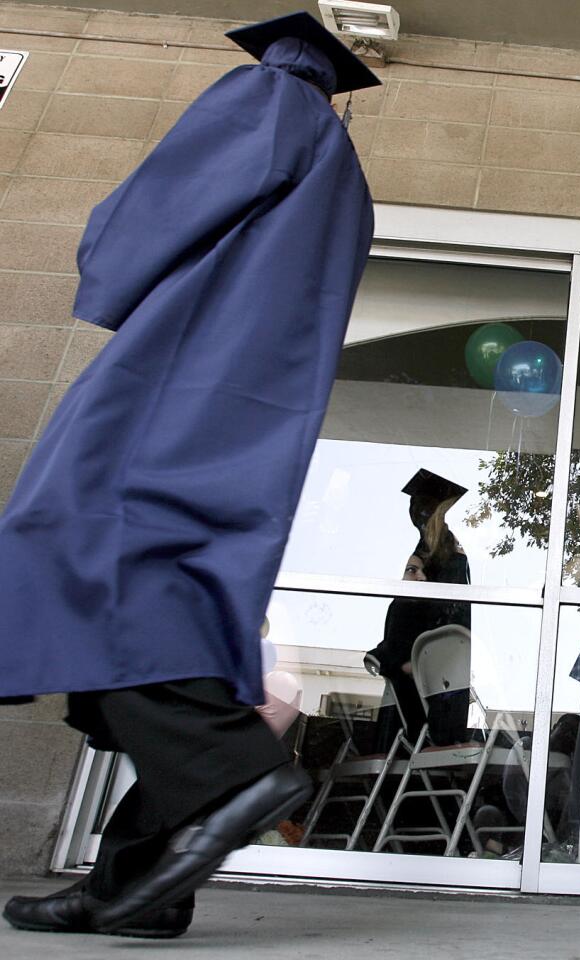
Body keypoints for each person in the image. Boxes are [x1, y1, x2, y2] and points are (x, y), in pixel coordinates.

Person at [0, 12, 378, 938]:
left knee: (79, 549)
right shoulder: (345, 172)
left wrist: (105, 264)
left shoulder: (268, 99)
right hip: (253, 396)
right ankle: (143, 879)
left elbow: (156, 212)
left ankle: (231, 772)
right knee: (170, 595)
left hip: (181, 364)